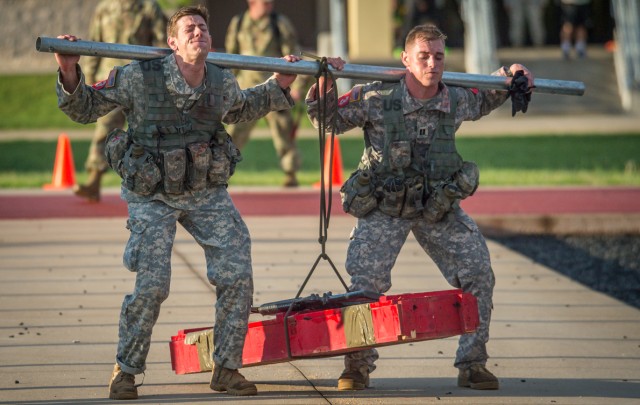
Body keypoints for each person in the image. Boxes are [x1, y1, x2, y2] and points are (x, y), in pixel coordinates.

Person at [54, 5, 302, 399]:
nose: (198, 34)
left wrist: (280, 82)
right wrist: (69, 69)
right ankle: (127, 371)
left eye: (203, 28)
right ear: (172, 42)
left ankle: (226, 368)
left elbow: (244, 108)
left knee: (237, 274)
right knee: (152, 286)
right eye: (189, 29)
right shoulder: (138, 77)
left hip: (204, 191)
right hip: (151, 194)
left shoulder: (221, 81)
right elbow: (86, 108)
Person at [306, 24, 534, 391]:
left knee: (478, 271)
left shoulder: (456, 100)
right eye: (424, 56)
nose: (432, 63)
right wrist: (324, 81)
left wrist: (514, 73)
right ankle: (357, 367)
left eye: (439, 56)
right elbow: (326, 119)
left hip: (436, 207)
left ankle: (472, 364)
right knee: (365, 284)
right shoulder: (374, 97)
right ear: (406, 59)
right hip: (384, 206)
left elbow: (490, 91)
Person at [75, 0, 168, 202]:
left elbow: (162, 44)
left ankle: (153, 184)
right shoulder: (104, 7)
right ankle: (94, 180)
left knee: (147, 133)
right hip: (109, 79)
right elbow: (94, 43)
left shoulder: (149, 7)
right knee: (105, 130)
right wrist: (89, 76)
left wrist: (160, 77)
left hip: (140, 78)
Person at [224, 0, 305, 187]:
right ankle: (221, 171)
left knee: (284, 133)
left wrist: (297, 88)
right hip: (245, 88)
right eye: (264, 2)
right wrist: (227, 86)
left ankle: (290, 174)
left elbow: (293, 56)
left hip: (274, 86)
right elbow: (231, 56)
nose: (269, 5)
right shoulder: (238, 23)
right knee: (234, 133)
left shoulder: (279, 24)